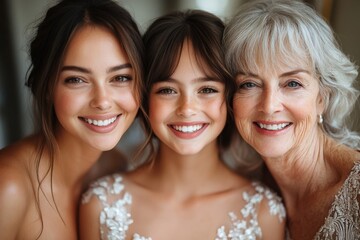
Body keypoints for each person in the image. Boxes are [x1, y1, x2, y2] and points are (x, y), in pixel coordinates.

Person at [79, 9, 285, 240]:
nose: (186, 108)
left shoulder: (264, 212)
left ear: (229, 98)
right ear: (145, 98)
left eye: (207, 90)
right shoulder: (101, 205)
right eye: (167, 90)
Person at [0, 0, 144, 239]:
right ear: (46, 87)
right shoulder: (8, 187)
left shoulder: (114, 168)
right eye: (76, 79)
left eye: (120, 77)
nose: (103, 101)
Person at [224, 0, 360, 239]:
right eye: (249, 84)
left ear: (323, 97)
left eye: (292, 83)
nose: (269, 105)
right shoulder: (243, 194)